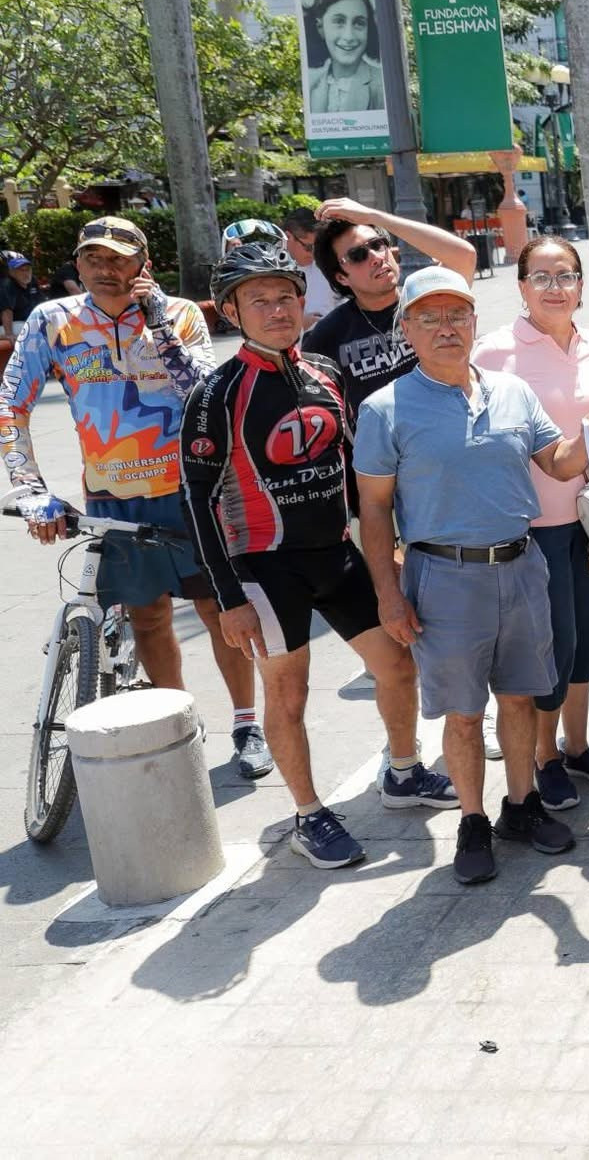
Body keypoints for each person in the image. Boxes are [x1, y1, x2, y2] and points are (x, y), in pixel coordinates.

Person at [181, 232, 457, 869]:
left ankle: (404, 770)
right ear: (231, 311)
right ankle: (308, 813)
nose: (277, 310)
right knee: (290, 696)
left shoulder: (325, 373)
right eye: (259, 301)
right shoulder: (216, 394)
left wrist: (380, 549)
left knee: (396, 665)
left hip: (336, 554)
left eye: (286, 296)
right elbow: (194, 502)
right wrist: (228, 599)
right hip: (264, 567)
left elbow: (360, 474)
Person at [354, 266, 589, 886]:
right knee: (463, 714)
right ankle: (471, 821)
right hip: (443, 577)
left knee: (520, 697)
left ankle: (521, 806)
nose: (444, 328)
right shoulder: (385, 409)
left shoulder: (513, 393)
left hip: (521, 567)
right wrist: (387, 593)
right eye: (428, 318)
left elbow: (561, 463)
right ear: (405, 327)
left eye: (456, 315)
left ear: (473, 320)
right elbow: (374, 510)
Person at [2, 217, 264, 775]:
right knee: (147, 619)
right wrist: (30, 490)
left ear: (143, 264)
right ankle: (179, 724)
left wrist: (157, 325)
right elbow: (11, 406)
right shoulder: (54, 321)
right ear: (77, 264)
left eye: (119, 258)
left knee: (220, 612)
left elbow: (205, 393)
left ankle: (247, 724)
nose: (104, 268)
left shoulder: (182, 314)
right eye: (92, 257)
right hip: (114, 498)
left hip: (193, 492)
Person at [471, 236, 589, 814]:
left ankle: (578, 745)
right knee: (551, 651)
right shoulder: (493, 351)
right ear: (520, 287)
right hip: (530, 527)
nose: (555, 287)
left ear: (581, 285)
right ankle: (544, 758)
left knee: (587, 642)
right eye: (541, 277)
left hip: (586, 520)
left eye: (566, 275)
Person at [304, 197, 478, 422]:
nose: (376, 257)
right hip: (385, 451)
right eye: (358, 255)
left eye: (377, 244)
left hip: (454, 431)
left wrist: (374, 216)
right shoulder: (328, 335)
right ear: (341, 277)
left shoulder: (427, 297)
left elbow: (464, 255)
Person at [302, 0, 383, 115]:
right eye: (339, 21)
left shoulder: (382, 87)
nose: (349, 36)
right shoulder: (312, 87)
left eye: (359, 23)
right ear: (320, 27)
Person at [279, 207, 339, 324]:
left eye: (318, 247)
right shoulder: (268, 269)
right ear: (288, 237)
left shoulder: (327, 261)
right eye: (308, 247)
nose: (314, 254)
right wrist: (298, 325)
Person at [1, 251, 47, 333]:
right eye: (22, 270)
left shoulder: (32, 281)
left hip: (30, 321)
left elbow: (42, 303)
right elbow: (6, 311)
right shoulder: (7, 285)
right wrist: (9, 334)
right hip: (11, 325)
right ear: (12, 272)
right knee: (28, 328)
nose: (26, 273)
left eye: (28, 270)